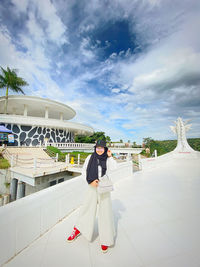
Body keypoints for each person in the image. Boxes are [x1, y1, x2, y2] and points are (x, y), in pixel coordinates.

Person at [67, 139, 117, 253]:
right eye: (98, 147)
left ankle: (106, 239)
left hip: (104, 187)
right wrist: (90, 182)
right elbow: (84, 171)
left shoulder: (107, 159)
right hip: (92, 186)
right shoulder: (90, 157)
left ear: (105, 149)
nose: (99, 150)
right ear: (95, 148)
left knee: (105, 212)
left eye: (102, 148)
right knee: (87, 209)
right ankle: (78, 229)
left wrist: (110, 156)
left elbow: (114, 168)